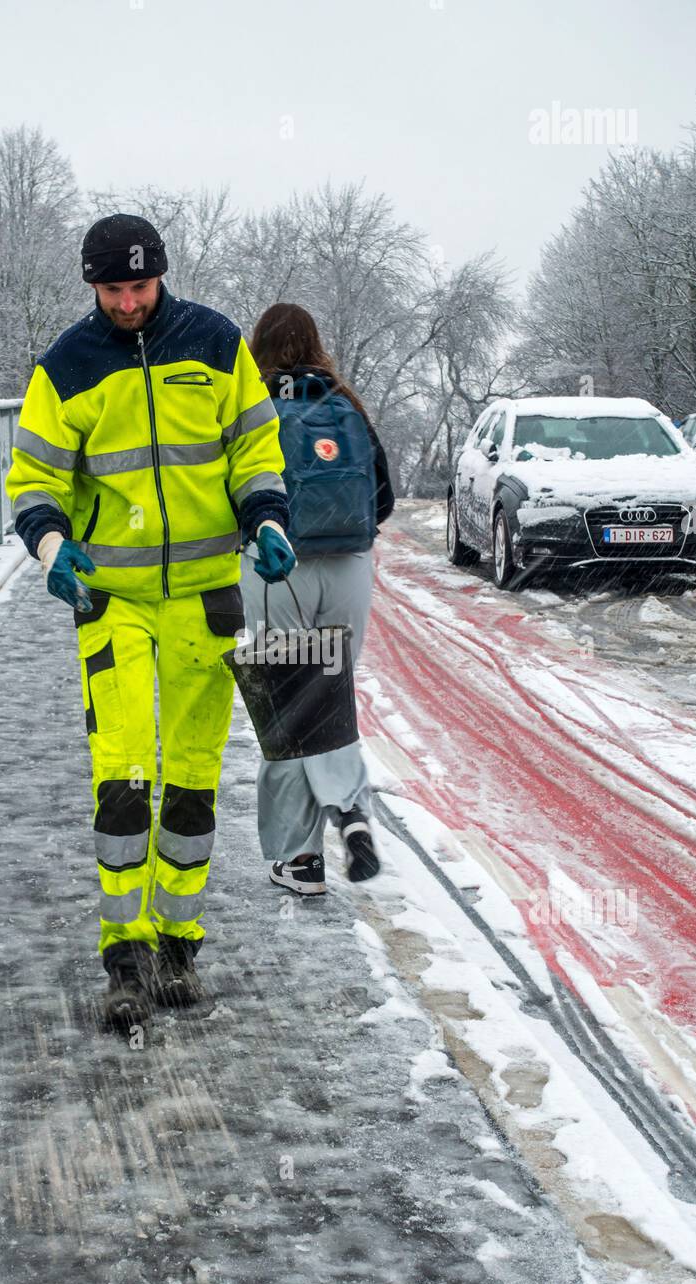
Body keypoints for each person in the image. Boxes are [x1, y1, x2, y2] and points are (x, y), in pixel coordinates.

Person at [4, 214, 296, 1030]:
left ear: (159, 276)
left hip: (207, 599)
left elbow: (255, 448)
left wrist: (268, 520)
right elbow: (32, 477)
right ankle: (125, 956)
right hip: (112, 600)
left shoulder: (216, 344)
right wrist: (51, 545)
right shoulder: (65, 367)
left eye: (139, 285)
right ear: (92, 287)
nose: (128, 302)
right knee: (125, 777)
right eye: (112, 289)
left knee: (196, 781)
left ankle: (180, 946)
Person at [240, 303, 394, 895]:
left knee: (288, 710)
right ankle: (350, 807)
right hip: (349, 566)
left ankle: (299, 860)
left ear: (257, 347)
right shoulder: (344, 404)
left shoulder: (251, 408)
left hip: (277, 566)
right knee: (328, 699)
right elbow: (382, 501)